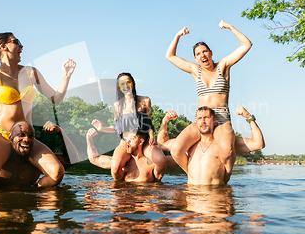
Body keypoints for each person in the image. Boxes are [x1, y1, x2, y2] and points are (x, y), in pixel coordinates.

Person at [0, 33, 76, 189]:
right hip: (1, 134)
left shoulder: (31, 73)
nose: (21, 47)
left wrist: (66, 76)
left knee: (57, 173)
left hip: (27, 136)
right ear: (3, 46)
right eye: (17, 42)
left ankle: (33, 194)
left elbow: (56, 98)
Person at [165, 20, 252, 181]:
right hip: (201, 120)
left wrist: (230, 27)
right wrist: (178, 35)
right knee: (176, 149)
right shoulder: (195, 70)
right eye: (198, 54)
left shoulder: (223, 66)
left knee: (227, 150)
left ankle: (225, 177)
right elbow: (170, 56)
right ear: (195, 58)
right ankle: (191, 173)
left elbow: (246, 44)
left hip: (221, 119)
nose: (202, 55)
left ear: (211, 53)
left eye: (205, 51)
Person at [157, 106, 264, 185]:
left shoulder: (224, 145)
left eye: (206, 118)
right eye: (199, 118)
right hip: (192, 198)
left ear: (215, 121)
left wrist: (249, 118)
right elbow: (162, 144)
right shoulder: (189, 145)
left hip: (216, 198)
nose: (203, 121)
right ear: (196, 122)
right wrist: (165, 121)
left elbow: (258, 144)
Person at [90, 72, 166, 180]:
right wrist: (101, 128)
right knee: (115, 168)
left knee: (161, 160)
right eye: (122, 84)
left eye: (128, 82)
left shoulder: (145, 101)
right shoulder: (117, 105)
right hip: (125, 143)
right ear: (119, 87)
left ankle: (154, 184)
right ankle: (123, 188)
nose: (125, 86)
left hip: (142, 142)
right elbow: (117, 128)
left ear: (133, 83)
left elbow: (148, 122)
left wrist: (152, 136)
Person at [86, 127, 166, 182]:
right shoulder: (122, 163)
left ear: (140, 141)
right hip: (125, 202)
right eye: (128, 138)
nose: (128, 141)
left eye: (132, 139)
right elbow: (94, 159)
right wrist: (89, 139)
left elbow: (171, 161)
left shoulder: (151, 164)